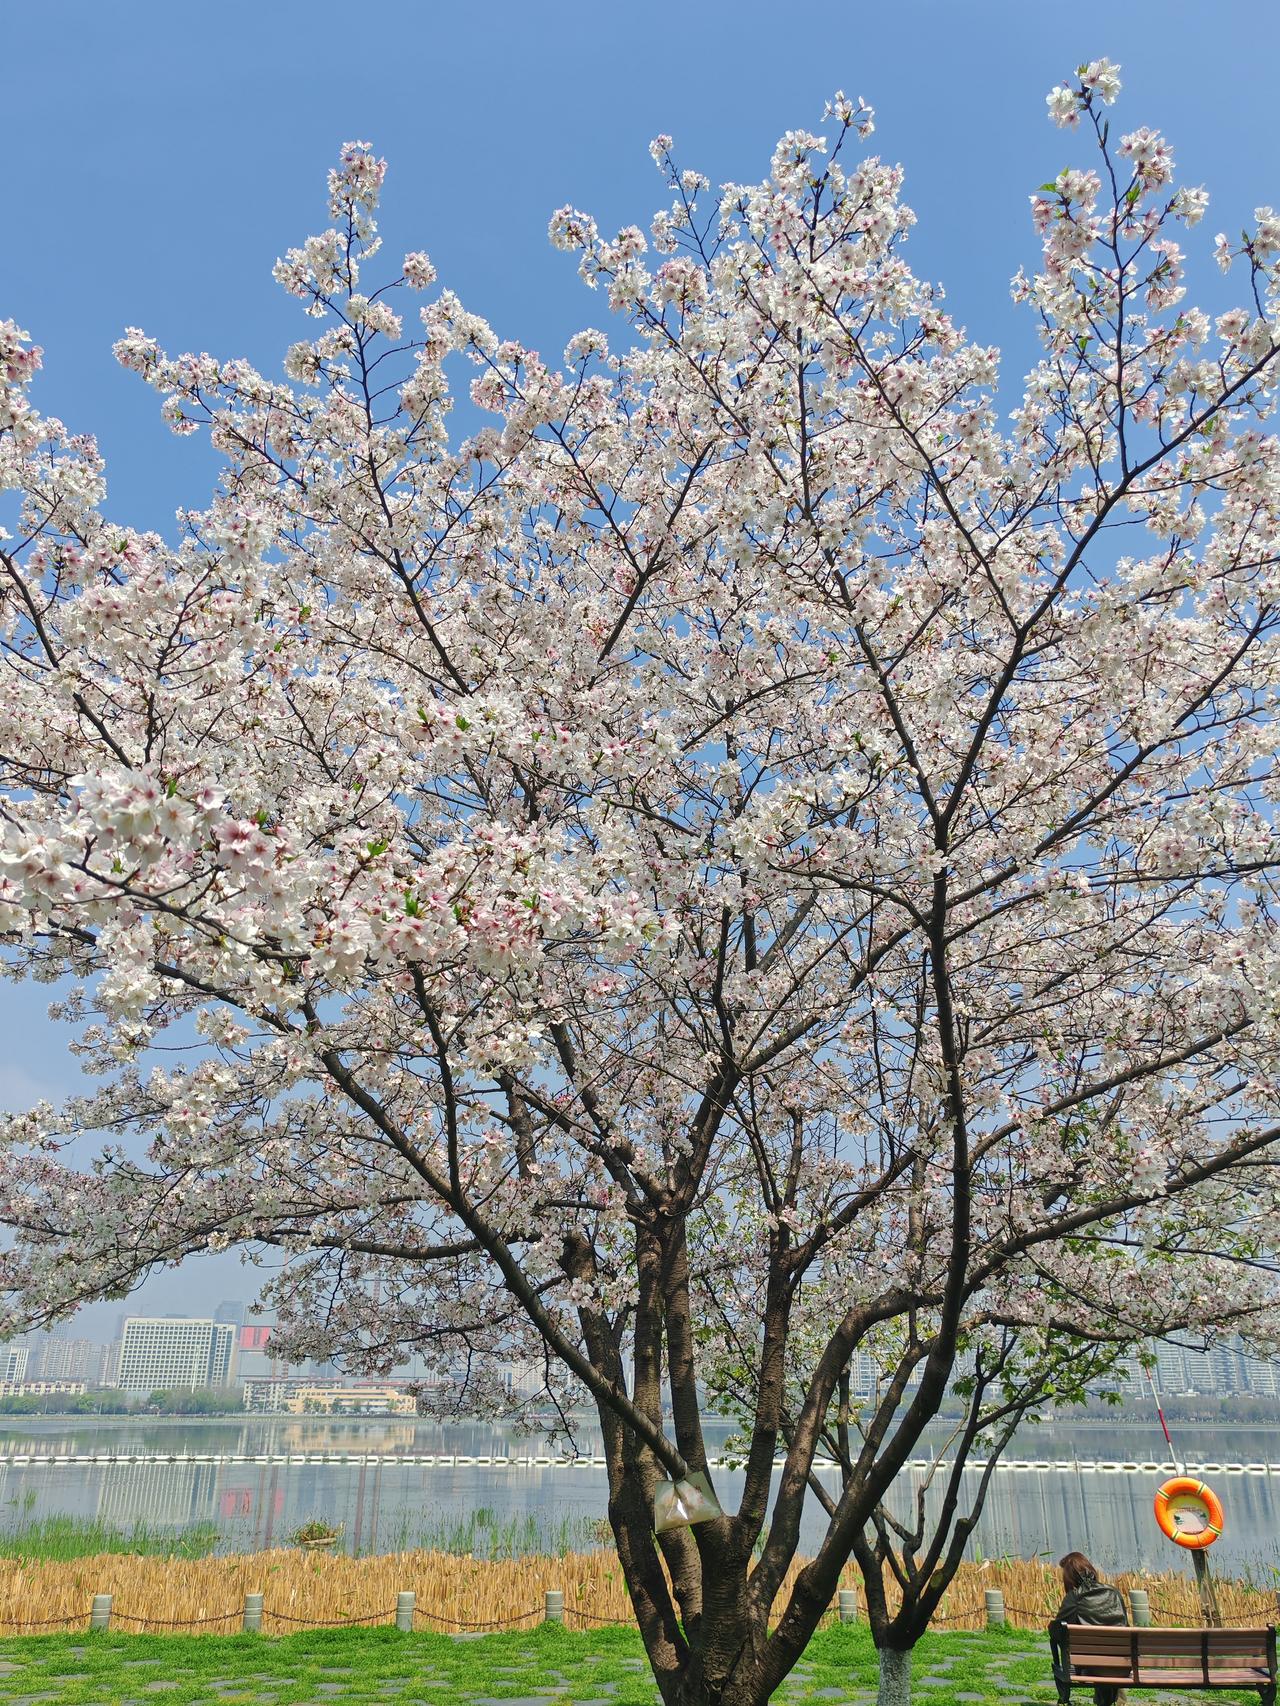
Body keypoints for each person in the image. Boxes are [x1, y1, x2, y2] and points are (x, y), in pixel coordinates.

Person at [1056, 1551, 1129, 1706]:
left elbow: (1056, 1631)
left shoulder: (1075, 1597)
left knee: (1097, 1661)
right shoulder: (1113, 1592)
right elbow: (1125, 1627)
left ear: (1070, 1577)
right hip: (1123, 1666)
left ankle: (1104, 1701)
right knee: (1108, 1657)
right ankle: (1113, 1701)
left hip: (1092, 1667)